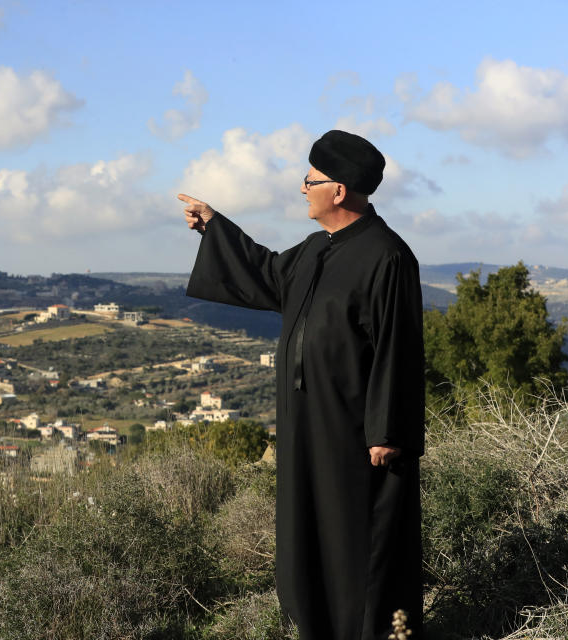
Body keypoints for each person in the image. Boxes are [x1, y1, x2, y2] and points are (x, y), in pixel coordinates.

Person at [179, 130, 424, 640]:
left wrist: (386, 430)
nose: (301, 188)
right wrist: (214, 227)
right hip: (306, 426)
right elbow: (269, 275)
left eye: (310, 180)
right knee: (310, 536)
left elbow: (398, 349)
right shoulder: (316, 249)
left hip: (357, 434)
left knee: (360, 543)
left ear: (338, 191)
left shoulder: (388, 257)